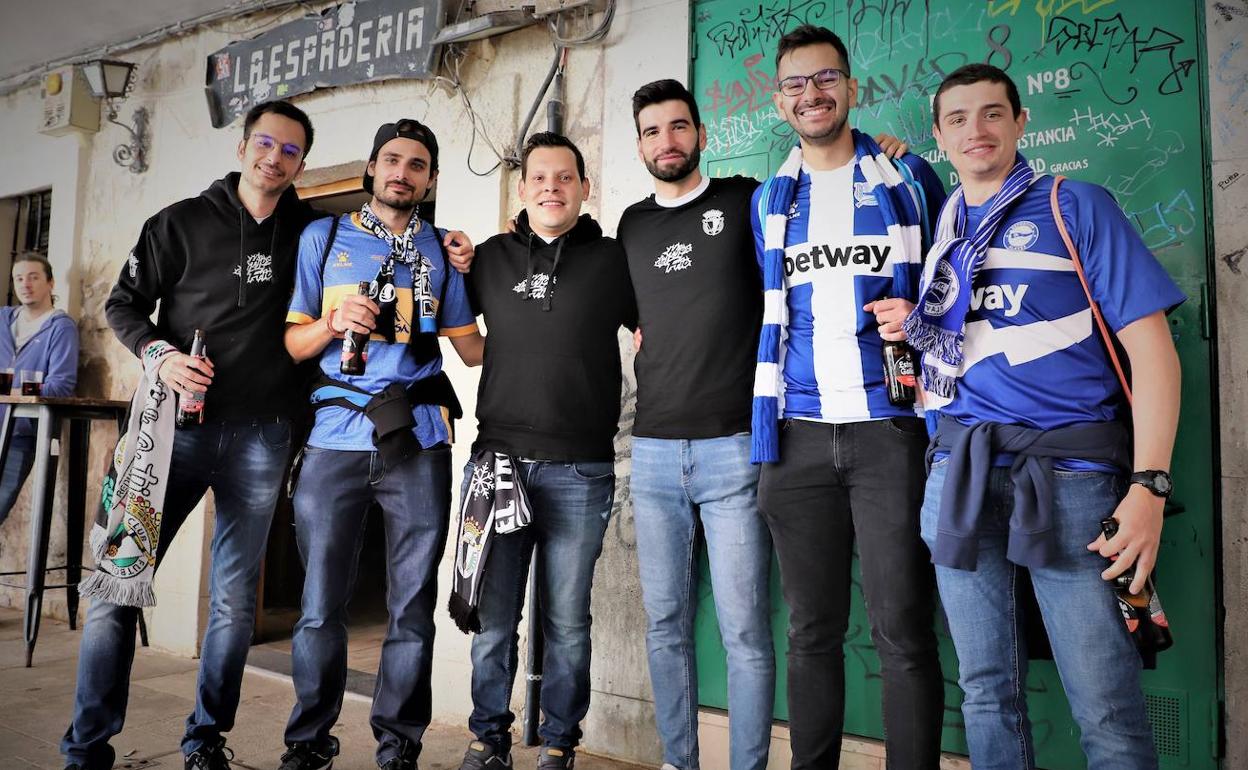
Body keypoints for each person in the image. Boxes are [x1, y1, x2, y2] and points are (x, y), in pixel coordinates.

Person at [905, 63, 1183, 769]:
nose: (977, 130)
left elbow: (1154, 356)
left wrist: (1149, 487)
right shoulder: (945, 226)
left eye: (993, 113)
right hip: (960, 475)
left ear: (1022, 122)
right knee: (986, 692)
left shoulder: (1075, 206)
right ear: (939, 136)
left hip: (1073, 482)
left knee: (1107, 705)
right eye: (959, 118)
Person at [62, 100, 321, 770]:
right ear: (242, 147)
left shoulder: (314, 234)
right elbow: (121, 303)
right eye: (265, 143)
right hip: (165, 434)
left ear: (301, 163)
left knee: (234, 601)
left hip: (263, 437)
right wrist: (161, 356)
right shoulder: (177, 223)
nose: (274, 157)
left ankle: (205, 740)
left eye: (290, 150)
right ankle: (87, 748)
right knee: (116, 584)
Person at [749, 25, 948, 770]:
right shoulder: (770, 200)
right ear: (778, 100)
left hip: (888, 431)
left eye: (825, 77)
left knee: (903, 627)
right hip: (796, 435)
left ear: (851, 87)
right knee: (811, 632)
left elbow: (949, 287)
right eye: (796, 83)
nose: (812, 93)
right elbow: (771, 307)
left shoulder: (909, 179)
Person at [279, 119, 483, 770]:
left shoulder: (444, 252)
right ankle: (307, 746)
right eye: (392, 160)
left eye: (417, 164)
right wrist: (334, 322)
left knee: (412, 609)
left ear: (429, 179)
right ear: (371, 169)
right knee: (319, 606)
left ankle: (399, 750)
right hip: (334, 439)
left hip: (419, 441)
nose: (403, 172)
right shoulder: (324, 237)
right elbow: (293, 344)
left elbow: (471, 347)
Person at [455, 132, 635, 770]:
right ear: (522, 189)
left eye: (565, 178)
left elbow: (652, 330)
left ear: (585, 189)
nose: (552, 188)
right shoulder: (489, 259)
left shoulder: (616, 260)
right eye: (539, 178)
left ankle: (560, 742)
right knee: (493, 619)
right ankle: (489, 738)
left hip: (581, 470)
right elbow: (460, 331)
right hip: (496, 466)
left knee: (567, 620)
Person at [616, 79, 774, 770]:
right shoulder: (630, 225)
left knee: (745, 630)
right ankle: (680, 762)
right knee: (665, 626)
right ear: (640, 144)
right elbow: (632, 317)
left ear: (701, 134)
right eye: (652, 131)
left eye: (678, 127)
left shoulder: (744, 200)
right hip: (651, 455)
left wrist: (889, 154)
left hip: (733, 448)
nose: (667, 141)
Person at [0, 252, 79, 524]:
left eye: (34, 277)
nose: (25, 284)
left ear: (51, 283)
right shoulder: (3, 320)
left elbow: (61, 386)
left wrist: (14, 391)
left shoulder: (60, 327)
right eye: (19, 278)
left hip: (20, 435)